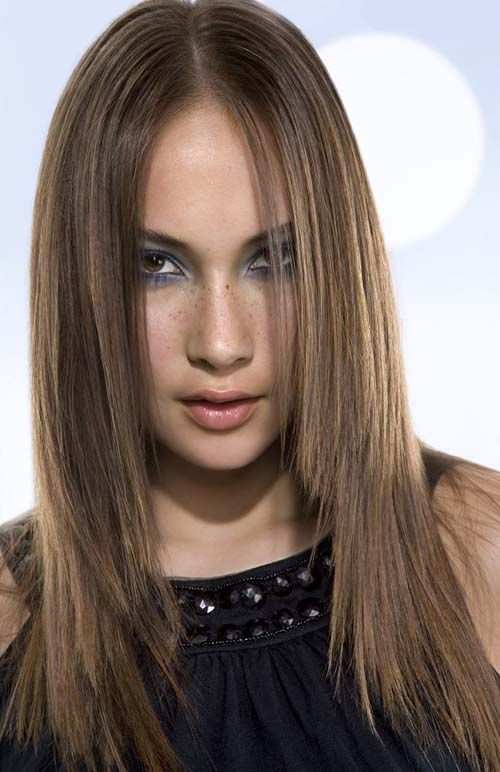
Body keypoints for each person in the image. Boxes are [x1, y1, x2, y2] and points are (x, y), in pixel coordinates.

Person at [1, 1, 500, 770]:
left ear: (341, 267)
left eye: (274, 261)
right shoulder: (11, 618)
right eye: (157, 266)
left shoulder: (479, 551)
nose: (221, 343)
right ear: (81, 281)